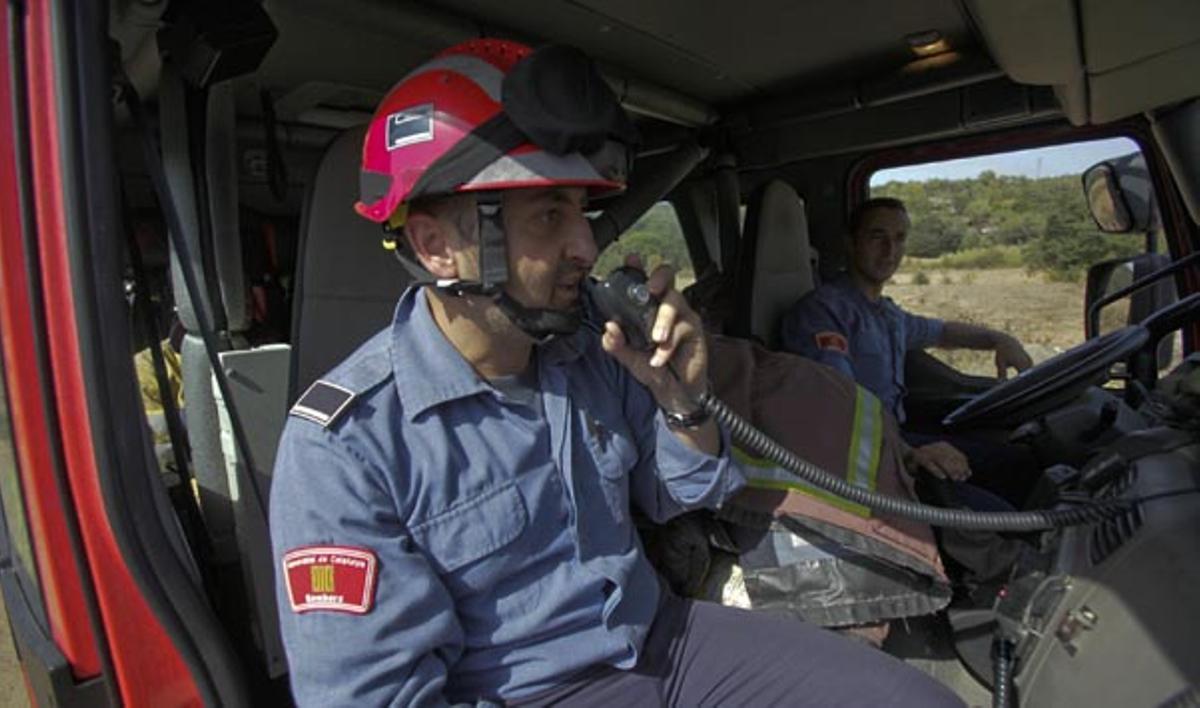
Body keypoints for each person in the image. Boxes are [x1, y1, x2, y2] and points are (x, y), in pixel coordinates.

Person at [269, 39, 962, 707]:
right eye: (548, 215)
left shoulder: (589, 348)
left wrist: (681, 398)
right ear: (437, 247)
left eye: (582, 212)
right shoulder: (346, 446)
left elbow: (676, 495)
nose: (584, 245)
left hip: (666, 641)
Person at [781, 197, 1038, 506]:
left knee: (1019, 464)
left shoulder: (887, 314)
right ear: (851, 243)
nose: (891, 251)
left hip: (897, 436)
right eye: (878, 237)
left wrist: (998, 338)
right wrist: (908, 454)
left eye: (899, 238)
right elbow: (839, 403)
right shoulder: (824, 312)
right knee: (996, 511)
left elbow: (941, 331)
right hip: (864, 454)